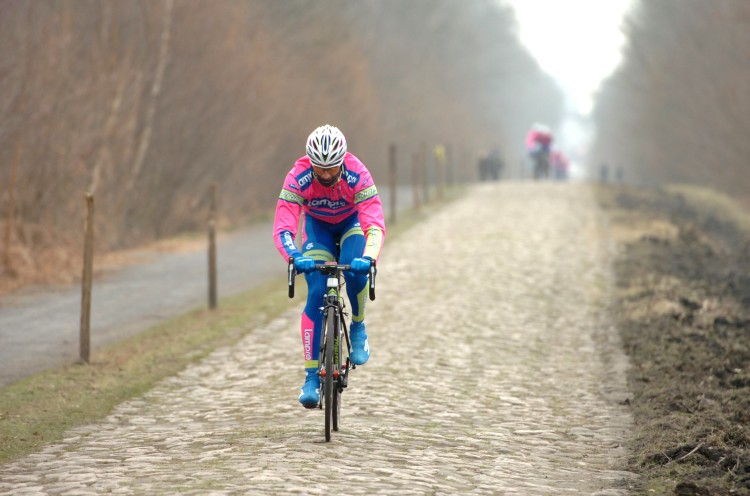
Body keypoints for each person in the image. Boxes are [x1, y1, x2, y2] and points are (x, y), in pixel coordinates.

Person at [272, 124, 386, 408]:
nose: (324, 175)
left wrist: (369, 257)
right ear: (310, 162)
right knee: (315, 292)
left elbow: (374, 224)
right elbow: (284, 227)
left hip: (351, 224)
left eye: (331, 168)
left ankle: (358, 327)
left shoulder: (358, 173)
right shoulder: (297, 176)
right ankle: (311, 378)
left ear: (342, 161)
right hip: (318, 228)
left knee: (356, 273)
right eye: (319, 168)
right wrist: (294, 255)